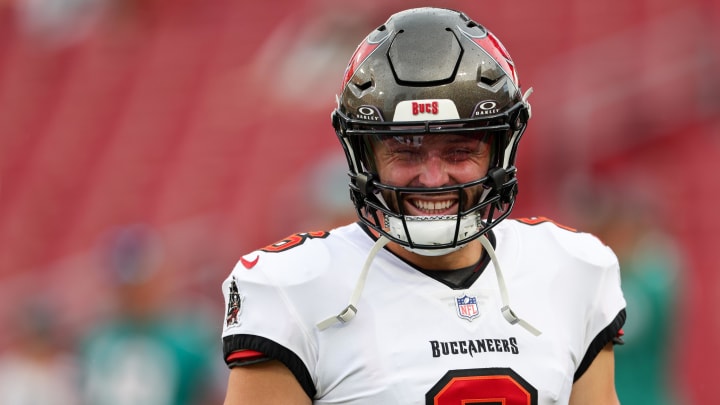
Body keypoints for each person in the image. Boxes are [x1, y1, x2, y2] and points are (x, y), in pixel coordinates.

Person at [221, 7, 626, 405]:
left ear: (499, 150)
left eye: (459, 150)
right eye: (405, 150)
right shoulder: (293, 289)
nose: (432, 179)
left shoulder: (573, 269)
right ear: (366, 155)